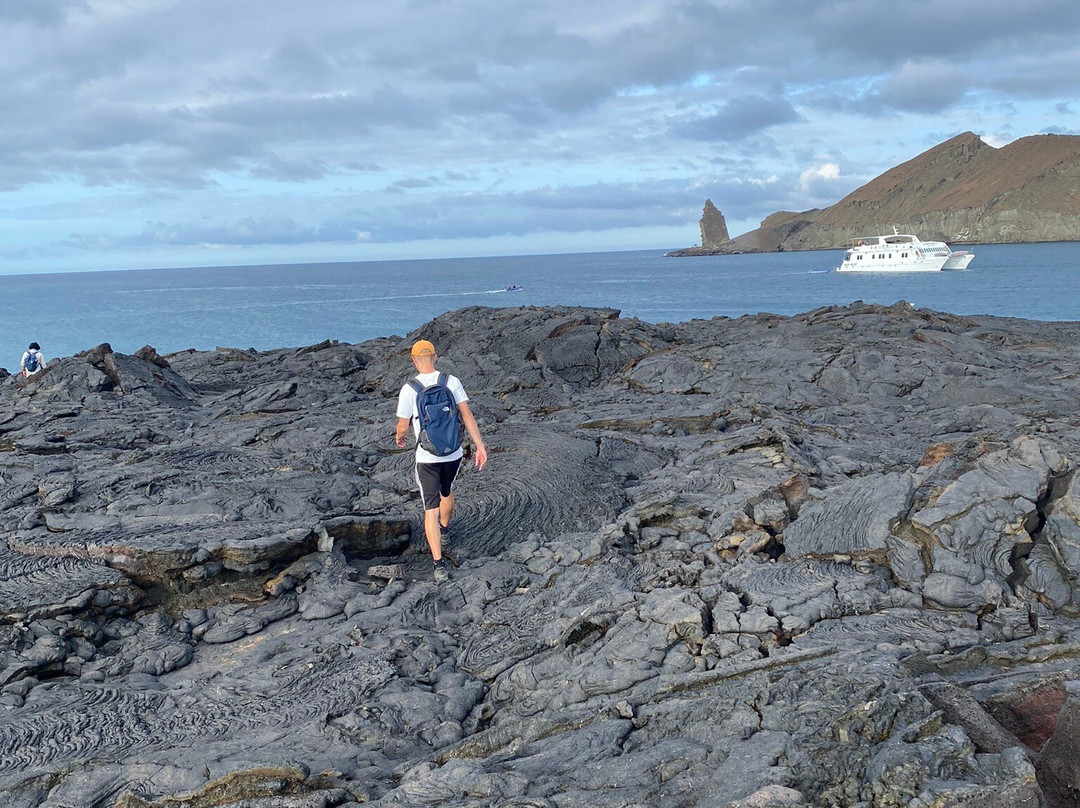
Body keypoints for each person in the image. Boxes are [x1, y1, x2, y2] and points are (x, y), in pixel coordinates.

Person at [395, 339, 487, 582]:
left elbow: (403, 426)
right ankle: (444, 530)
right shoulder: (451, 381)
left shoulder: (410, 388)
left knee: (430, 509)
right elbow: (467, 415)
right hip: (453, 453)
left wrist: (400, 438)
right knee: (446, 491)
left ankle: (438, 565)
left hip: (427, 457)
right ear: (435, 357)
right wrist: (480, 446)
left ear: (413, 360)